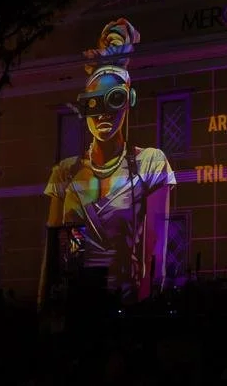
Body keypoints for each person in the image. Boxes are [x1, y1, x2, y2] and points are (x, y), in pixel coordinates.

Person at [40, 19, 176, 305]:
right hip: (76, 300)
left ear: (128, 100)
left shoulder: (150, 163)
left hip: (124, 301)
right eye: (95, 102)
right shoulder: (65, 172)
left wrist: (148, 303)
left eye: (113, 100)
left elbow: (155, 247)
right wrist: (45, 304)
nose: (103, 113)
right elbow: (54, 252)